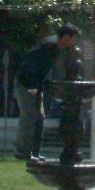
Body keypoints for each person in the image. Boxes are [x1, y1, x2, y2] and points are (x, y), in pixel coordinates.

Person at [13, 23, 80, 161]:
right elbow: (31, 64)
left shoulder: (56, 47)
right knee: (29, 117)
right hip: (26, 85)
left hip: (36, 86)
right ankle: (23, 152)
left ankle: (35, 153)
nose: (75, 42)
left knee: (39, 118)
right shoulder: (49, 46)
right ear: (67, 37)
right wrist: (32, 86)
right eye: (74, 38)